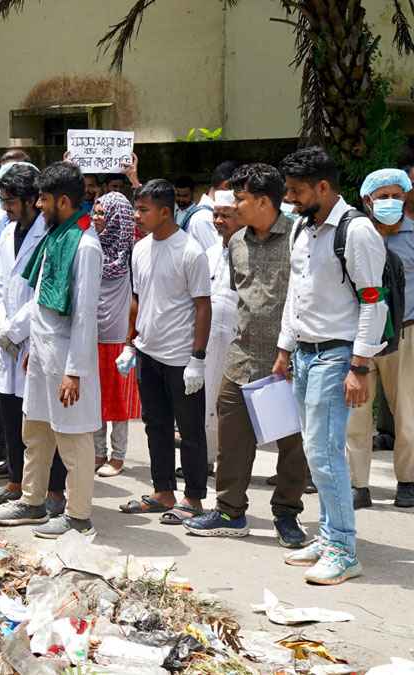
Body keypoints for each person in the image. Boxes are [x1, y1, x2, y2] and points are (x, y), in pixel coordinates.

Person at [275, 147, 388, 584]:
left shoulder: (356, 231)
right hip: (304, 353)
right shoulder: (302, 229)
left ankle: (343, 548)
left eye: (297, 190)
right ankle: (327, 536)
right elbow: (295, 292)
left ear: (323, 187)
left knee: (324, 453)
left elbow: (372, 300)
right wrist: (286, 348)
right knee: (314, 450)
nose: (290, 198)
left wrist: (359, 365)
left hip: (338, 355)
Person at [182, 163, 311, 547]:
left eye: (240, 199)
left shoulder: (298, 237)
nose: (234, 207)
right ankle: (230, 511)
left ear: (263, 201)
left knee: (291, 443)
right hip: (240, 358)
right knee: (233, 436)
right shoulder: (236, 242)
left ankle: (287, 514)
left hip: (285, 361)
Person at [0, 161, 102, 538]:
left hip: (68, 358)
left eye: (45, 199)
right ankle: (32, 502)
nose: (38, 205)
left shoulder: (84, 245)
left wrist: (75, 371)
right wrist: (30, 341)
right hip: (41, 353)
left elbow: (84, 315)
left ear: (63, 201)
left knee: (73, 437)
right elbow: (40, 300)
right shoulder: (56, 236)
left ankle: (78, 516)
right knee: (35, 430)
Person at [118, 179, 212, 524]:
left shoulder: (190, 251)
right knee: (154, 425)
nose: (137, 216)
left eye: (143, 210)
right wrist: (130, 343)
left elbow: (203, 306)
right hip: (148, 352)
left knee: (189, 429)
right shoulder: (140, 249)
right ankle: (163, 491)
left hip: (181, 357)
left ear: (165, 211)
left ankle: (193, 498)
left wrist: (197, 359)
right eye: (136, 209)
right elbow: (137, 300)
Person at [0, 163, 69, 513]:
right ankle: (16, 483)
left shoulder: (52, 237)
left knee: (45, 421)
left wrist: (16, 329)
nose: (6, 207)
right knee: (11, 412)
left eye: (11, 200)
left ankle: (53, 492)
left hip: (36, 339)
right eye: (3, 200)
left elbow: (43, 295)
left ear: (34, 200)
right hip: (5, 338)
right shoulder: (5, 234)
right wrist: (1, 324)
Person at [345, 167, 414, 509]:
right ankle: (358, 484)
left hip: (406, 331)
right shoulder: (355, 234)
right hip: (360, 334)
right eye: (383, 197)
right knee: (357, 411)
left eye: (396, 196)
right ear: (367, 199)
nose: (390, 202)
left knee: (407, 410)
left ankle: (408, 480)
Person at [91, 191, 140, 478]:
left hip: (120, 337)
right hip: (92, 333)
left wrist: (131, 339)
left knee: (118, 400)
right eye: (95, 213)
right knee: (95, 397)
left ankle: (118, 455)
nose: (96, 219)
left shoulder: (132, 251)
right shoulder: (91, 245)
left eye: (102, 214)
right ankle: (98, 451)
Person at [200, 190, 244, 473]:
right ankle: (206, 459)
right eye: (216, 215)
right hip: (209, 335)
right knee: (207, 396)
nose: (218, 221)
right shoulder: (211, 252)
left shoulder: (250, 250)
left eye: (225, 215)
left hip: (238, 336)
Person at [181, 161, 237, 250]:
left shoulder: (206, 214)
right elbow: (222, 255)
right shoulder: (204, 218)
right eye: (239, 189)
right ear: (226, 185)